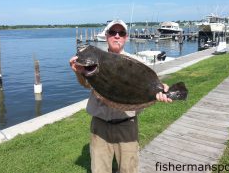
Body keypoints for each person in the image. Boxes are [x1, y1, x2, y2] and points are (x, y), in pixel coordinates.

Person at [70, 20, 172, 173]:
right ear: (106, 36)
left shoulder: (136, 62)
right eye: (113, 32)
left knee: (128, 169)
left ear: (126, 37)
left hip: (127, 126)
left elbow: (147, 83)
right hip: (100, 126)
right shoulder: (95, 61)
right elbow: (87, 83)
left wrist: (162, 89)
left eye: (121, 33)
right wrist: (79, 71)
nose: (117, 36)